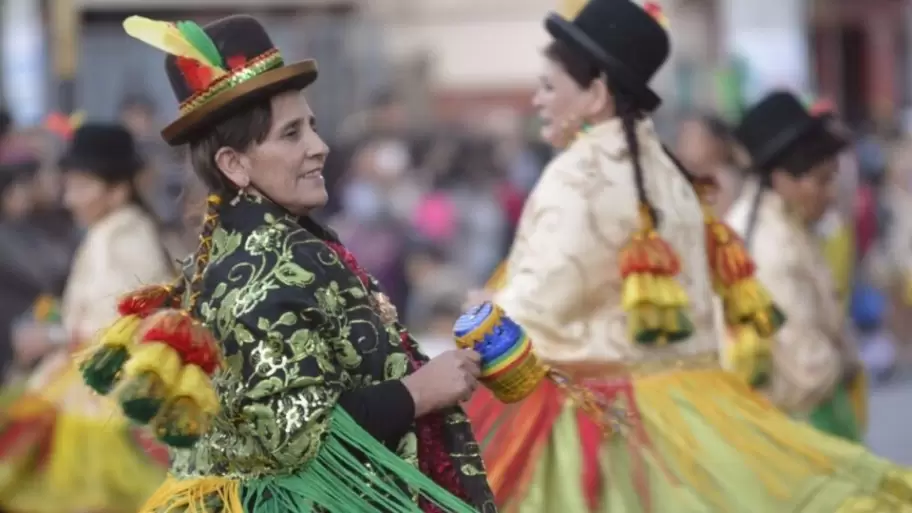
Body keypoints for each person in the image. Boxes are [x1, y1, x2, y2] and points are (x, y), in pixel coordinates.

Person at [463, 1, 912, 511]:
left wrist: (483, 309)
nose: (538, 101)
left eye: (548, 86)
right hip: (694, 410)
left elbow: (536, 315)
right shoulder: (672, 176)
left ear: (595, 94)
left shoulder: (577, 176)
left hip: (602, 425)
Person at [79, 14, 495, 513]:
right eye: (291, 133)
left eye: (312, 126)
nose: (318, 147)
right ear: (234, 164)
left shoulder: (270, 242)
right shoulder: (262, 266)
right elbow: (295, 436)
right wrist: (418, 391)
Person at [0, 123, 174, 513]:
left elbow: (120, 328)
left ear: (117, 189)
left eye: (81, 186)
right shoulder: (111, 233)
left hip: (103, 406)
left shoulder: (125, 240)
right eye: (70, 184)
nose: (70, 198)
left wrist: (53, 337)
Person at [726, 92, 868, 441]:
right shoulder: (765, 242)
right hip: (795, 421)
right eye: (821, 180)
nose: (830, 193)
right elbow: (808, 367)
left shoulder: (787, 224)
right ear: (781, 178)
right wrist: (845, 365)